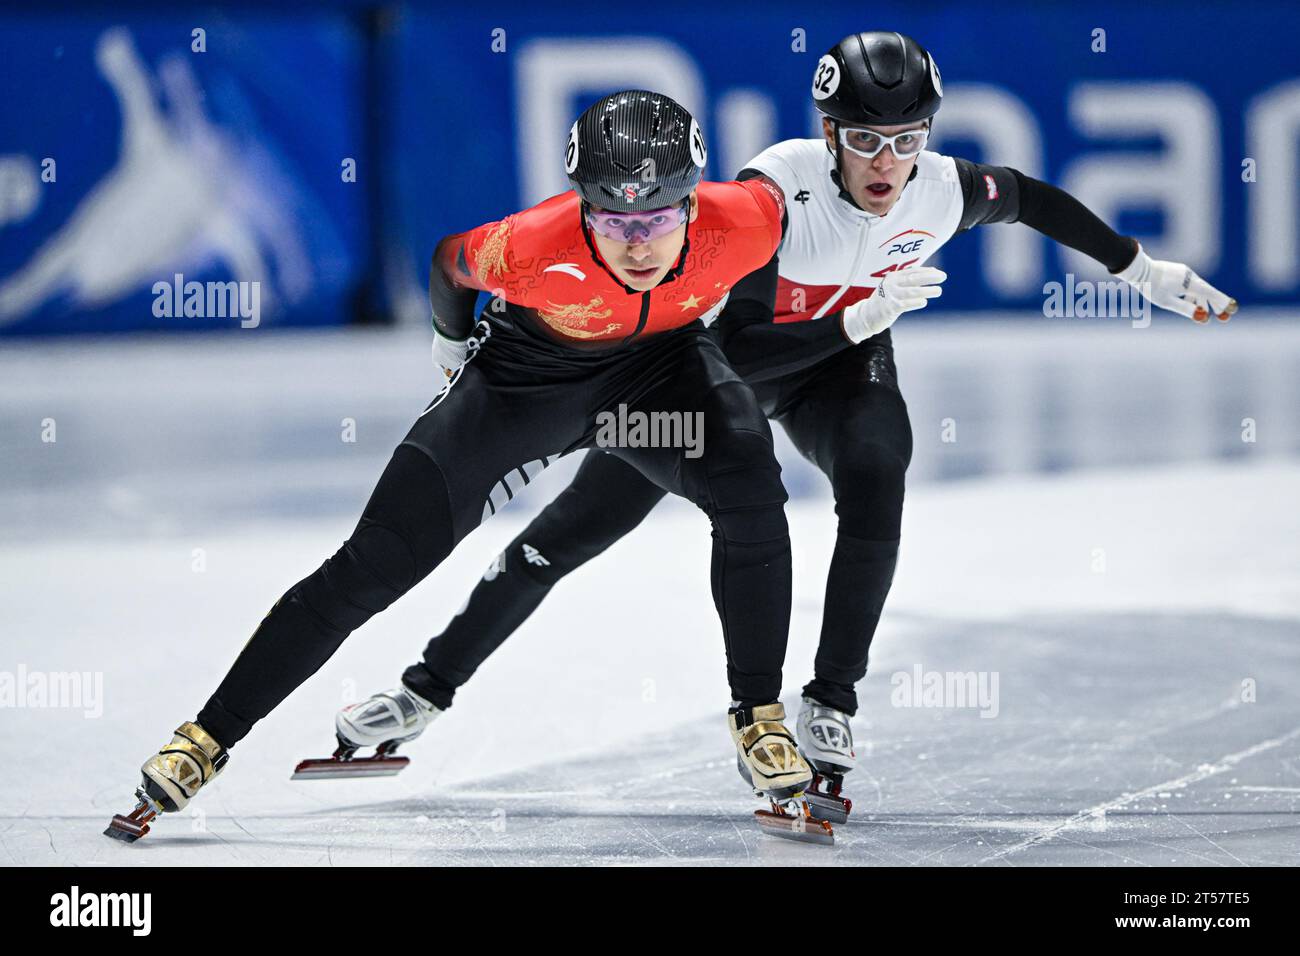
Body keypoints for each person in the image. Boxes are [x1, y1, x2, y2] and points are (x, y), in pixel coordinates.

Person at [332, 32, 1238, 823]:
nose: (887, 164)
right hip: (732, 367)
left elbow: (1034, 198)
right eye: (865, 141)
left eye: (908, 141)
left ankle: (830, 700)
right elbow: (743, 349)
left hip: (844, 368)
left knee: (880, 473)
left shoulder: (944, 190)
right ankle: (425, 688)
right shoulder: (778, 192)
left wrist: (1142, 269)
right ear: (828, 133)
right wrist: (859, 314)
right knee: (571, 531)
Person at [107, 90, 822, 843]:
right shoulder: (531, 244)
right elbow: (451, 262)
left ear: (691, 204)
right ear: (582, 208)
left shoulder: (745, 221)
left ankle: (758, 717)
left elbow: (867, 202)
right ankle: (206, 737)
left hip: (654, 386)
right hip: (523, 389)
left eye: (657, 219)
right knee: (374, 565)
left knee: (752, 490)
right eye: (614, 221)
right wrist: (455, 355)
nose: (637, 244)